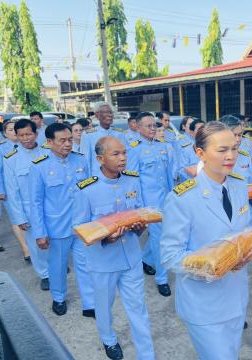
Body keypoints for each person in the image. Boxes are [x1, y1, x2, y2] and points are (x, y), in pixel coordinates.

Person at [161, 121, 252, 360]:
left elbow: (241, 233)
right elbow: (170, 256)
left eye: (233, 148)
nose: (231, 156)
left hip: (236, 296)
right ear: (200, 153)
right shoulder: (182, 198)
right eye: (222, 150)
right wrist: (214, 264)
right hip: (204, 303)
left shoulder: (239, 185)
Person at [73, 136, 155, 360]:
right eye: (115, 154)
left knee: (138, 308)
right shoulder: (86, 189)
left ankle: (146, 355)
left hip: (131, 256)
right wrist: (104, 239)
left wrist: (139, 226)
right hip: (103, 262)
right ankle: (108, 339)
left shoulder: (131, 181)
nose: (122, 158)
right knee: (103, 305)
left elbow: (137, 211)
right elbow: (80, 229)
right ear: (100, 158)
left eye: (124, 153)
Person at [28, 123, 94, 317]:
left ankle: (89, 303)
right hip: (56, 228)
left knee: (86, 265)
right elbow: (36, 203)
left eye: (69, 140)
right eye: (62, 141)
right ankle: (58, 298)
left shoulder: (81, 161)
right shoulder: (39, 167)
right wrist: (39, 233)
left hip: (82, 225)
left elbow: (89, 192)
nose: (67, 144)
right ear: (49, 142)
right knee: (57, 266)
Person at [127, 112, 173, 296]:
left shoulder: (162, 146)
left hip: (165, 200)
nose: (153, 128)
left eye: (155, 125)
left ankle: (146, 258)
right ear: (138, 128)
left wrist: (172, 197)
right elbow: (132, 181)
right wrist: (139, 207)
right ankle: (162, 279)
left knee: (161, 236)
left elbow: (168, 175)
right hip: (149, 203)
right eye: (148, 126)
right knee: (160, 239)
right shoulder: (133, 149)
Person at [4, 119, 50, 291]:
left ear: (36, 134)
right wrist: (19, 217)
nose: (25, 138)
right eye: (21, 135)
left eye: (28, 134)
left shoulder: (47, 152)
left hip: (51, 206)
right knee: (35, 243)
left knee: (55, 239)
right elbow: (12, 191)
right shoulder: (11, 159)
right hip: (28, 208)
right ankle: (44, 274)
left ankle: (55, 267)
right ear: (16, 136)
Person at [0, 120, 29, 259]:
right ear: (4, 133)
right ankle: (26, 249)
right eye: (11, 130)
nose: (14, 132)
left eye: (15, 129)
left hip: (26, 188)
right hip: (9, 189)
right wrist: (0, 191)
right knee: (16, 218)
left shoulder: (27, 145)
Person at [80, 102, 125, 175]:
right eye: (106, 112)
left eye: (111, 112)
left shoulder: (119, 134)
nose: (110, 115)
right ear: (97, 115)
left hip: (117, 177)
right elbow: (85, 160)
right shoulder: (88, 135)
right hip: (98, 177)